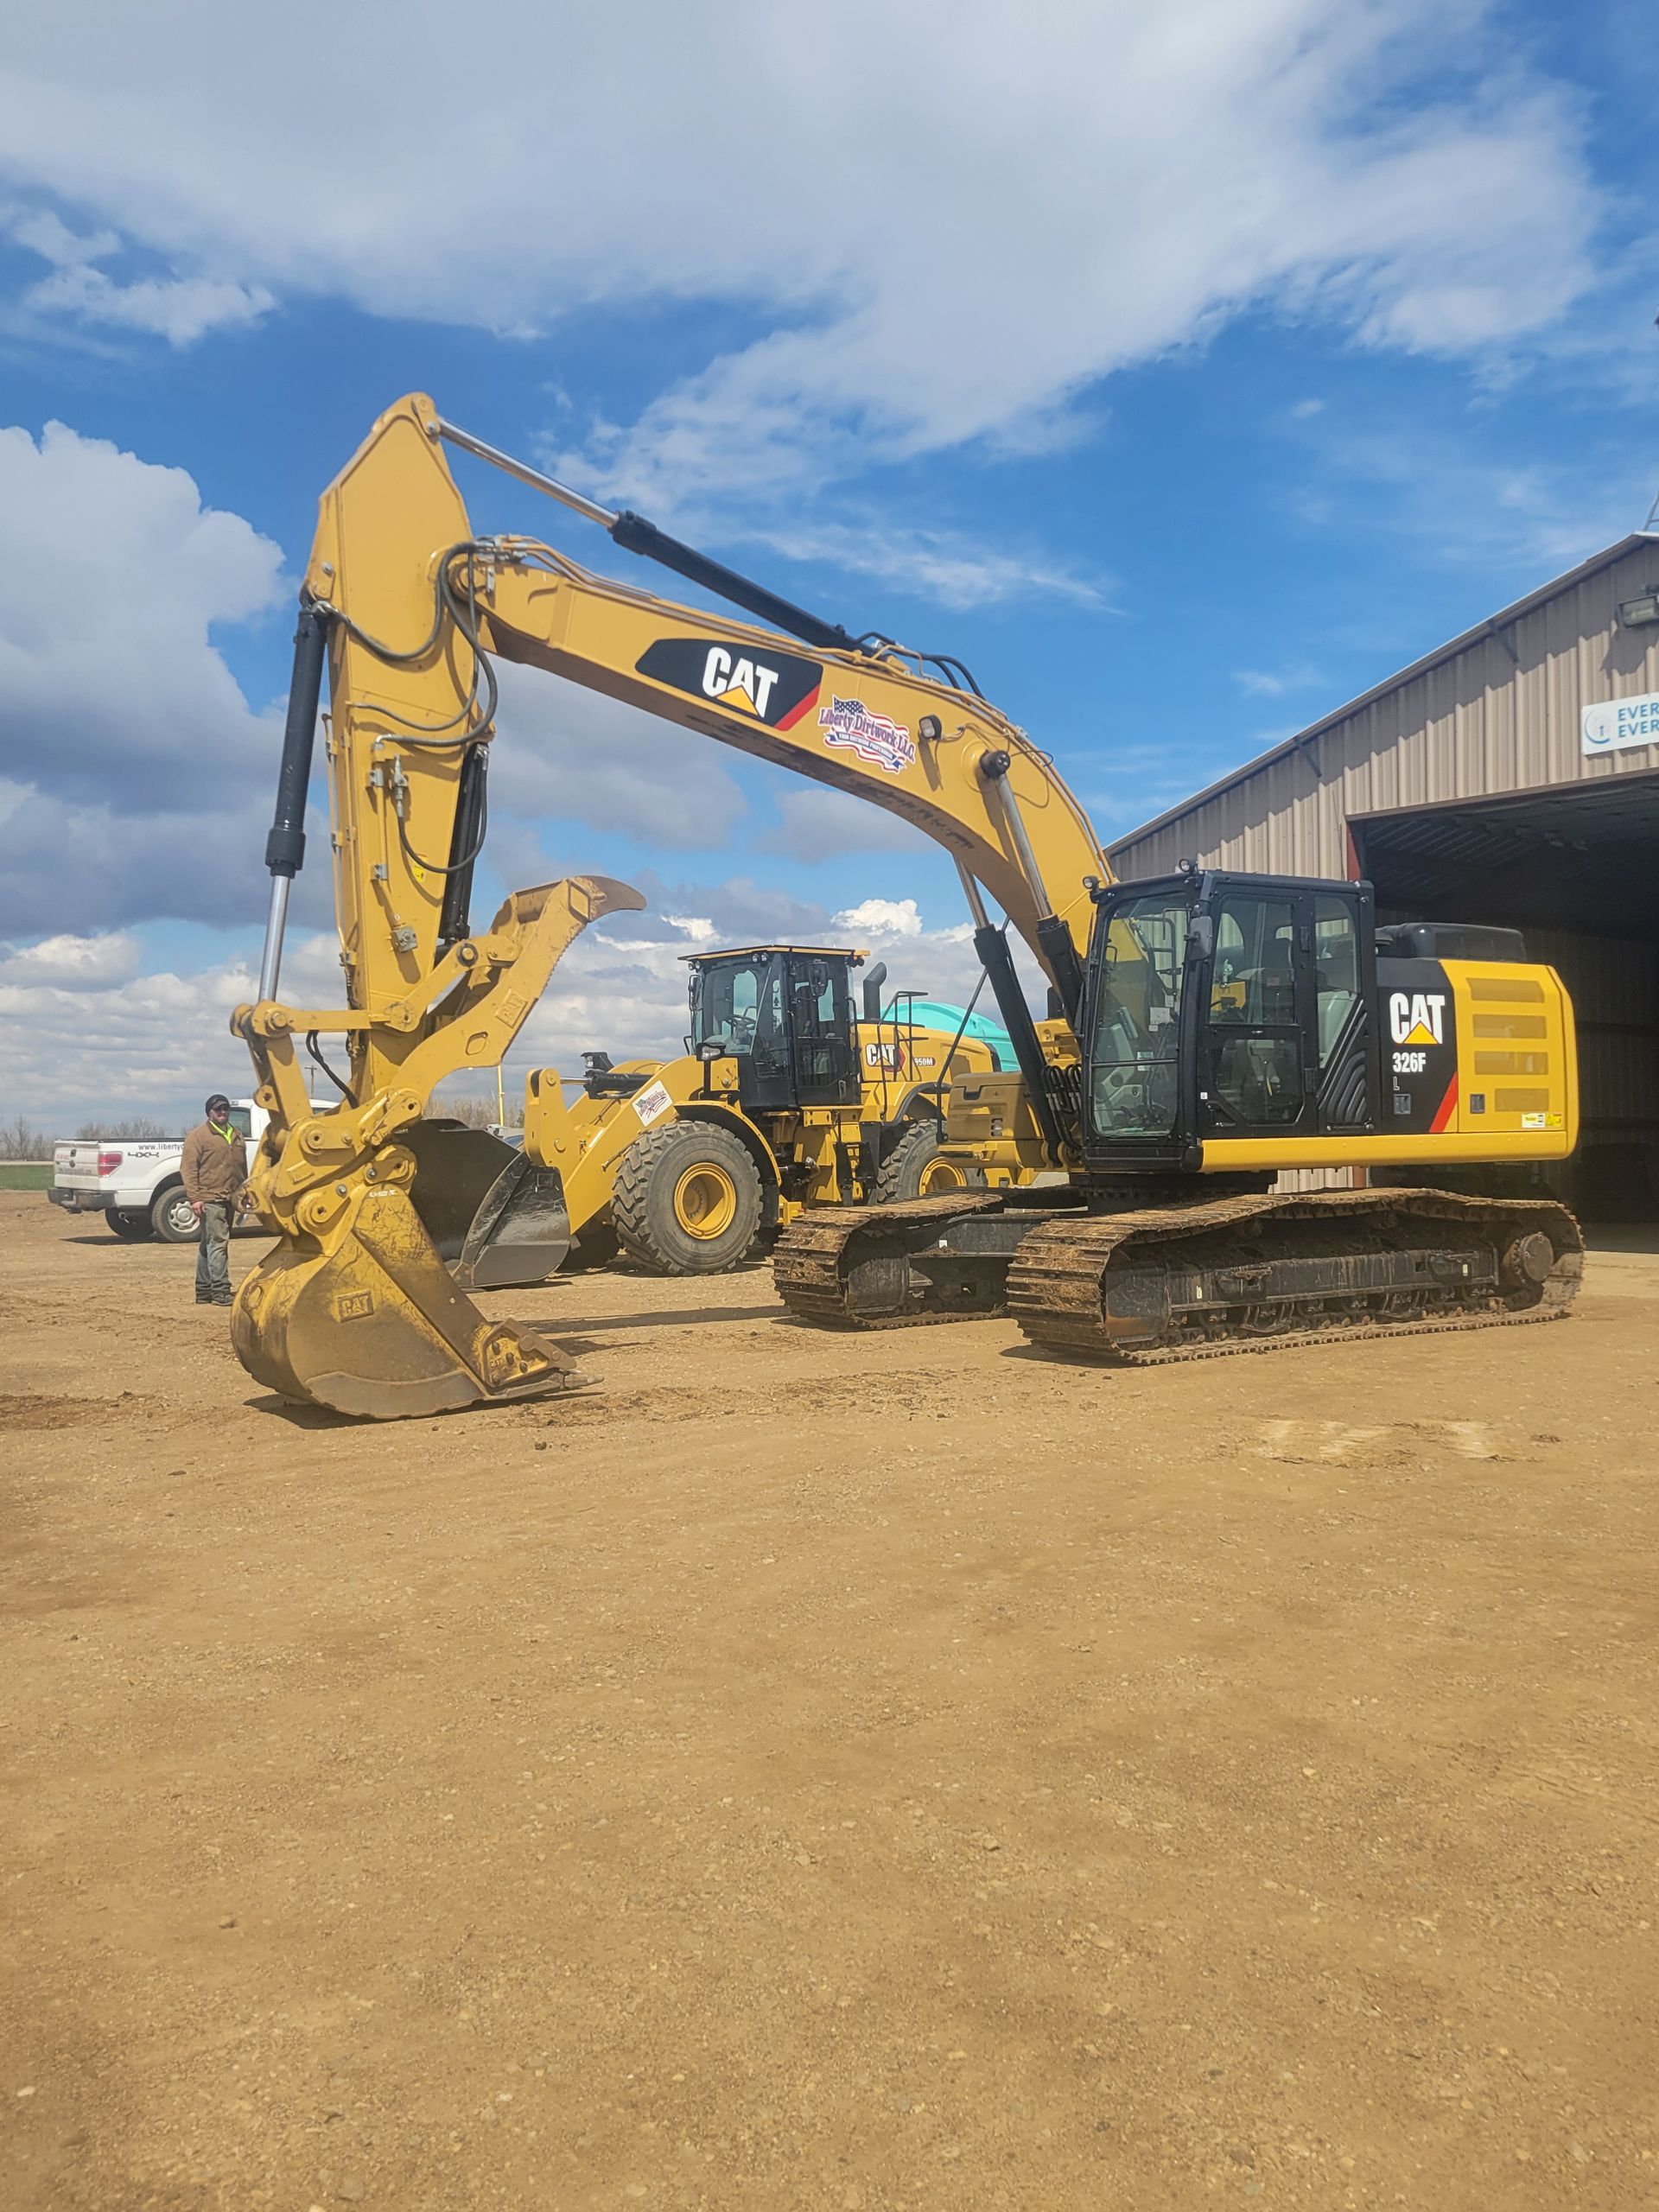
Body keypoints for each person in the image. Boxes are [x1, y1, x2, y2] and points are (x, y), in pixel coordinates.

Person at [180, 1094, 248, 1307]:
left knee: (208, 1244)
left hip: (230, 1197)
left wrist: (245, 1192)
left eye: (225, 1109)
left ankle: (204, 1290)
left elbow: (241, 1167)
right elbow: (189, 1169)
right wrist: (195, 1198)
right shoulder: (197, 1137)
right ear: (209, 1112)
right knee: (218, 1243)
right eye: (218, 1109)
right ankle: (221, 1291)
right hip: (210, 1198)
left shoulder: (236, 1135)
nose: (222, 1112)